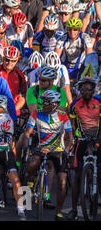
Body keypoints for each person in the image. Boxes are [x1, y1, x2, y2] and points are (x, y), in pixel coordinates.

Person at [17, 90, 73, 221]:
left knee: (63, 182)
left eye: (46, 102)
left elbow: (70, 138)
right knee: (31, 165)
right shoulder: (36, 113)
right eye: (42, 101)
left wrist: (67, 150)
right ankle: (29, 184)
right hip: (42, 149)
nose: (42, 104)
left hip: (58, 151)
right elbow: (27, 133)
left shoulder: (63, 116)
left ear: (55, 104)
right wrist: (26, 147)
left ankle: (58, 212)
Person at [66, 77, 101, 220]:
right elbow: (73, 123)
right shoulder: (74, 105)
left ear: (94, 90)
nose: (87, 91)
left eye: (90, 89)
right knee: (78, 176)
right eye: (84, 89)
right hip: (82, 141)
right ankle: (74, 210)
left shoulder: (99, 103)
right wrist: (74, 138)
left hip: (97, 139)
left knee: (99, 173)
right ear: (80, 90)